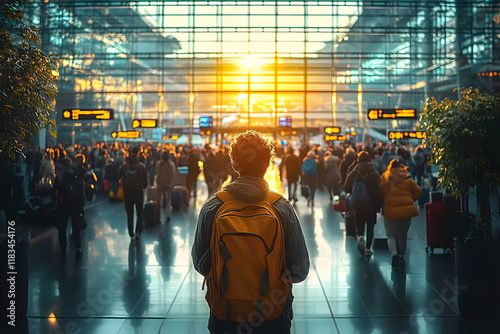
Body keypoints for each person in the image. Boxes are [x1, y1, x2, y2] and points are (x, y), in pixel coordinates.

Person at [191, 130, 309, 334]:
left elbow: (200, 262)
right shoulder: (282, 208)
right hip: (271, 314)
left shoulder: (213, 207)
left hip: (225, 314)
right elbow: (300, 270)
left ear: (234, 165)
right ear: (267, 164)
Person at [379, 159, 422, 267]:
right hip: (406, 212)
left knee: (391, 235)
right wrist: (411, 200)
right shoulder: (407, 177)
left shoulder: (385, 177)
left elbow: (380, 193)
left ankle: (394, 254)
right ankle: (401, 256)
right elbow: (418, 192)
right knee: (403, 235)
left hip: (390, 211)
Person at [343, 151, 383, 256]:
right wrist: (379, 204)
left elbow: (346, 186)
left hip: (357, 202)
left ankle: (360, 237)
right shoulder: (374, 172)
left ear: (358, 160)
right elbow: (378, 189)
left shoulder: (354, 171)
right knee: (370, 225)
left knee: (359, 222)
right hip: (371, 203)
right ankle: (368, 248)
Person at [54, 157, 85, 259]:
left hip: (63, 205)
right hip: (75, 204)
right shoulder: (75, 175)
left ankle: (63, 247)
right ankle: (78, 248)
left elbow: (54, 191)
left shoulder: (59, 176)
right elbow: (81, 189)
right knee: (75, 227)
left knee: (62, 227)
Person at [119, 147, 148, 242]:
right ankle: (138, 232)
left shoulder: (125, 166)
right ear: (138, 154)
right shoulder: (141, 166)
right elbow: (146, 182)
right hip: (138, 193)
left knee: (130, 213)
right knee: (140, 213)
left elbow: (118, 176)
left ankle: (131, 233)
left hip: (128, 193)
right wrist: (142, 187)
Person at [155, 150, 176, 223]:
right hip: (168, 183)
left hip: (160, 183)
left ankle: (158, 215)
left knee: (158, 200)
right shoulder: (171, 164)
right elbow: (173, 174)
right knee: (168, 200)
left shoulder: (158, 164)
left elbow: (156, 172)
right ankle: (167, 215)